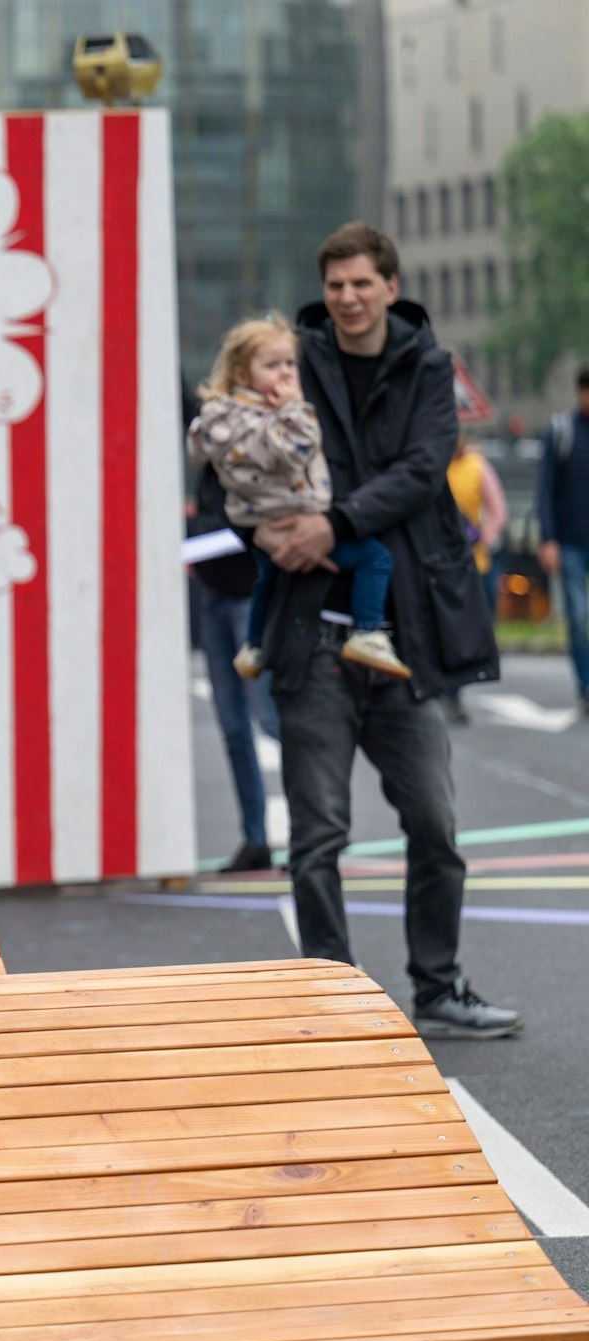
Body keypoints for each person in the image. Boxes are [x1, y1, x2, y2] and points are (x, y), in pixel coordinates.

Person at [260, 222, 515, 1039]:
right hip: (313, 635)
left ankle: (438, 986)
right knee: (318, 836)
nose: (347, 297)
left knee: (436, 827)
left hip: (402, 637)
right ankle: (328, 1000)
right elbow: (247, 458)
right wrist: (261, 526)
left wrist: (333, 523)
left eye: (362, 283)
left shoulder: (428, 366)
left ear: (390, 288)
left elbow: (422, 464)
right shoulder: (294, 359)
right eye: (335, 284)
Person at [187, 315, 408, 683]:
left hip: (259, 522)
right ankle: (368, 632)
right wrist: (295, 407)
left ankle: (255, 645)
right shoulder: (269, 418)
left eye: (290, 363)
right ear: (242, 375)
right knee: (374, 558)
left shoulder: (218, 417)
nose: (287, 374)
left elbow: (198, 452)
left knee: (267, 580)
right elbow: (294, 451)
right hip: (293, 516)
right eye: (273, 365)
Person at [187, 472, 283, 873]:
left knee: (271, 719)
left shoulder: (244, 456)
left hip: (250, 597)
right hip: (216, 597)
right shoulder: (208, 460)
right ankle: (256, 838)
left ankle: (315, 835)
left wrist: (188, 538)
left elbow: (247, 527)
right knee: (233, 728)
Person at [444, 433, 509, 724]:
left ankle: (457, 686)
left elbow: (498, 511)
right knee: (446, 627)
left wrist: (485, 539)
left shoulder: (477, 466)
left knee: (469, 627)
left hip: (475, 561)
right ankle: (449, 693)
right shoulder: (433, 464)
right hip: (440, 562)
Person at [535, 367, 589, 714]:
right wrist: (548, 539)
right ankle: (587, 685)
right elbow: (545, 489)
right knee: (579, 616)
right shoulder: (562, 431)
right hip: (570, 542)